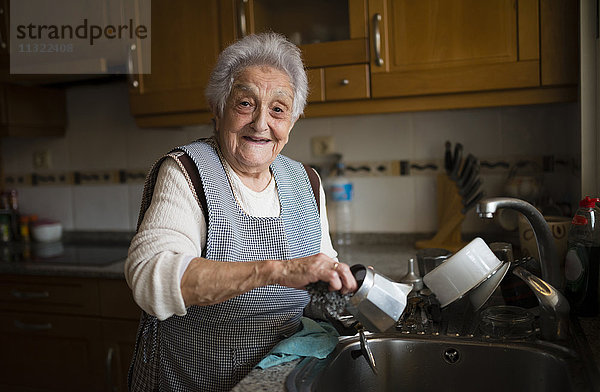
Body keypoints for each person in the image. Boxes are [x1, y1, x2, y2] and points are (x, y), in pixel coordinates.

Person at [125, 32, 357, 391]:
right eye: (245, 104)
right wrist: (276, 271)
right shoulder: (187, 171)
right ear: (218, 110)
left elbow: (319, 269)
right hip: (194, 381)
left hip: (282, 375)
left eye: (278, 110)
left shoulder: (305, 180)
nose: (261, 123)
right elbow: (150, 277)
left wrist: (347, 284)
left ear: (292, 122)